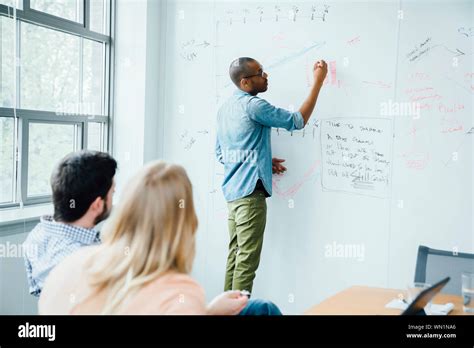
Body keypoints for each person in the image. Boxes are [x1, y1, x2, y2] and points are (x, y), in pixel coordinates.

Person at [39, 161, 281, 315]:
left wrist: (206, 311)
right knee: (264, 310)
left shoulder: (68, 266)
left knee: (258, 309)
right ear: (185, 223)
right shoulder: (179, 291)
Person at [216, 57, 328, 294]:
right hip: (249, 197)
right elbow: (297, 121)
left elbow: (221, 153)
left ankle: (224, 310)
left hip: (233, 196)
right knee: (246, 263)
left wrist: (262, 161)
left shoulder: (225, 109)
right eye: (260, 72)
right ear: (245, 82)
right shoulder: (254, 106)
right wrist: (318, 82)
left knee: (235, 257)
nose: (266, 75)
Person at [23, 150, 117, 296]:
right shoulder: (91, 261)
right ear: (97, 205)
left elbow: (37, 291)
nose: (113, 199)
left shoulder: (36, 235)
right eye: (112, 193)